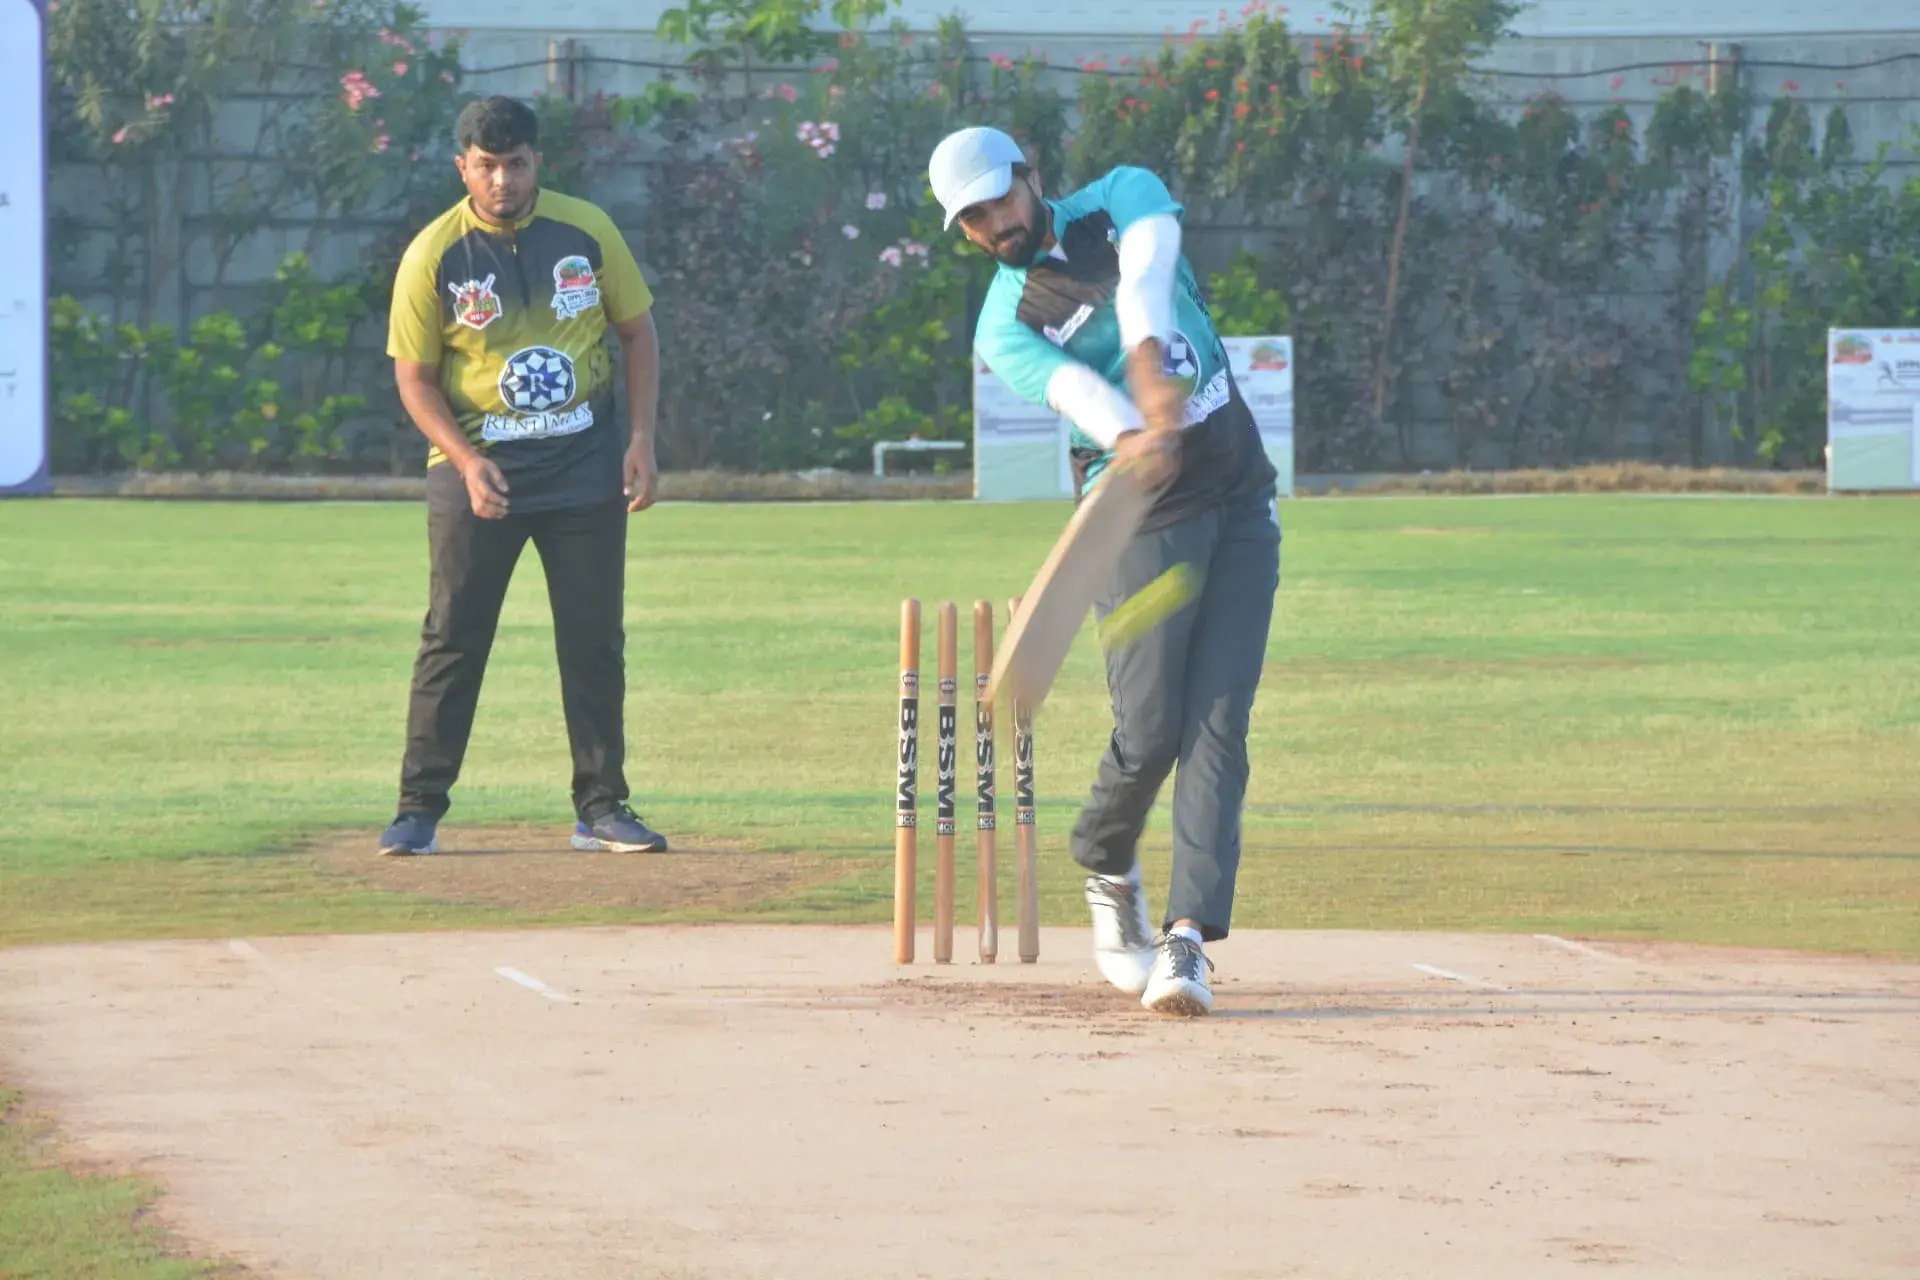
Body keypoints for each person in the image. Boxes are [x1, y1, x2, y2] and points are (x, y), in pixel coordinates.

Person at [929, 127, 1281, 1016]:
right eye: (971, 217)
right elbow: (1076, 396)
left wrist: (1150, 365)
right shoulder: (1005, 325)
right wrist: (1133, 427)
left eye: (998, 198)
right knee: (1156, 722)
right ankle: (1103, 852)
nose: (993, 222)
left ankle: (1189, 939)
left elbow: (1149, 277)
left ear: (1030, 175)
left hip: (1238, 490)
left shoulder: (1124, 192)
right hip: (1138, 511)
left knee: (1220, 722)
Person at [376, 95, 668, 857]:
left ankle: (602, 808)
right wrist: (469, 461)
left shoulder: (586, 230)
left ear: (538, 161)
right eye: (486, 166)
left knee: (594, 639)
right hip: (481, 479)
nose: (501, 180)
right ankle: (417, 811)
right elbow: (414, 379)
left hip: (585, 468)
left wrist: (639, 438)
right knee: (453, 638)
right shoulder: (433, 254)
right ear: (462, 167)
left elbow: (637, 334)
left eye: (515, 164)